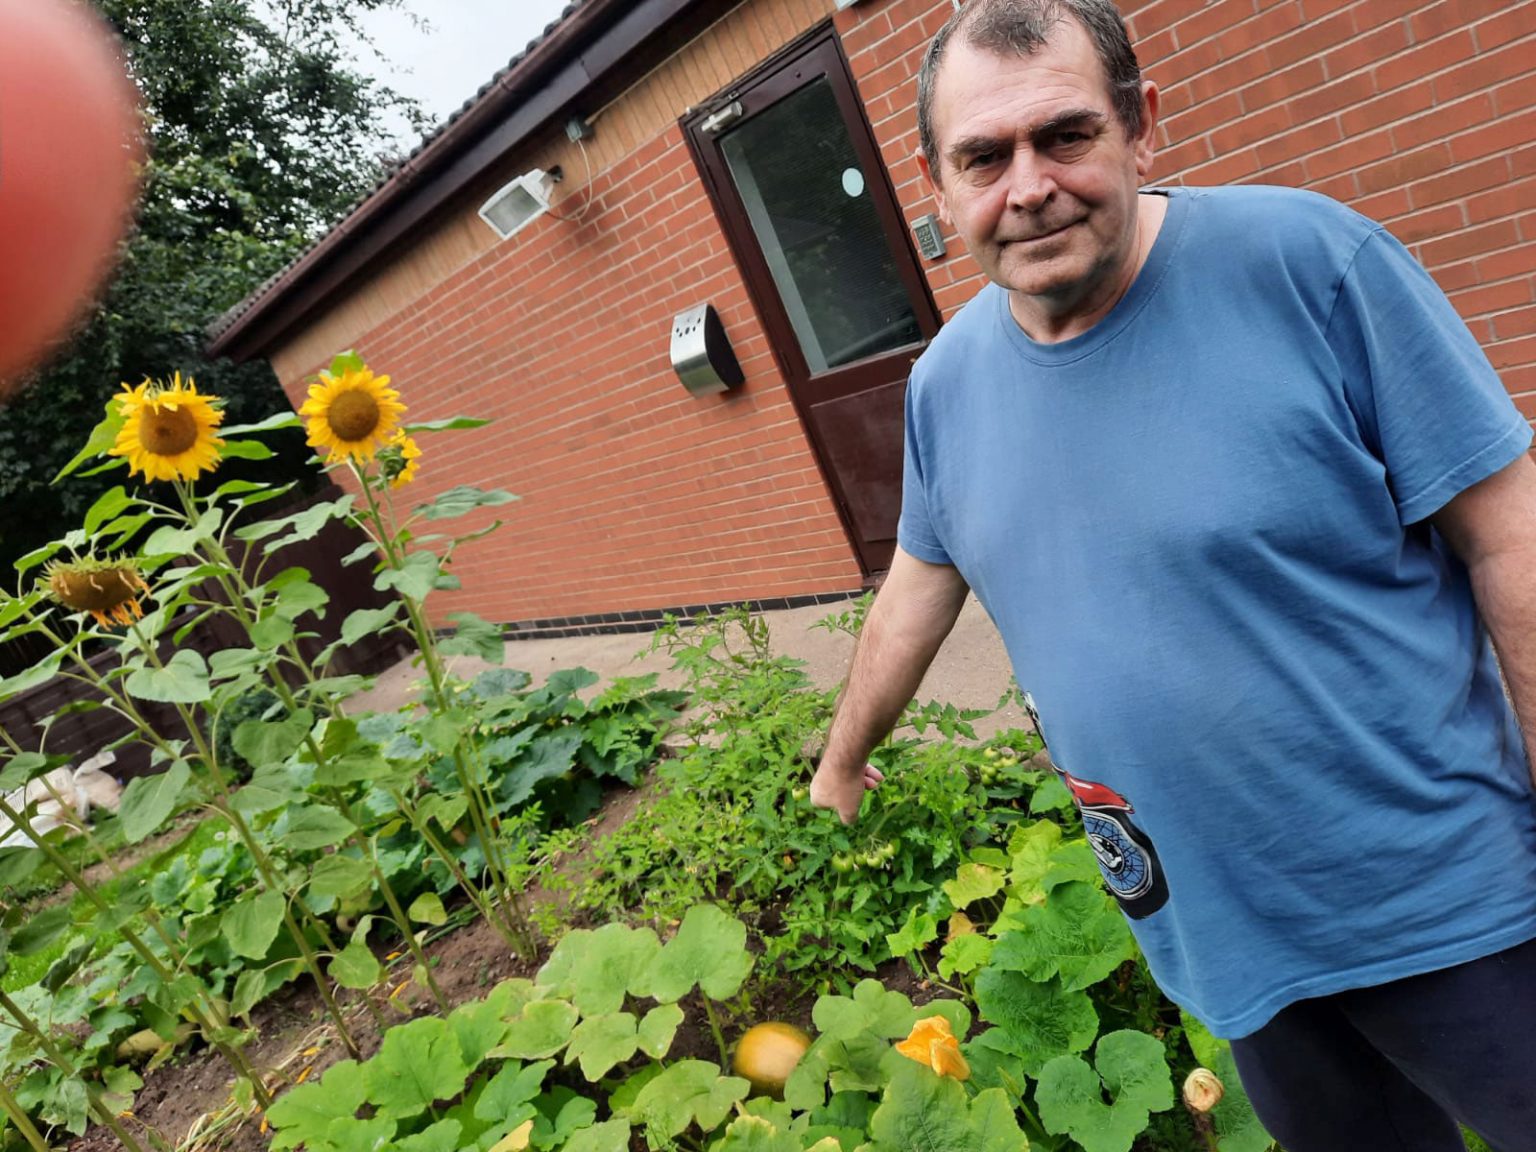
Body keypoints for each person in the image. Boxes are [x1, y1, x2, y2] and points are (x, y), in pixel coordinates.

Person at [808, 1, 1536, 1148]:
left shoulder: (1309, 265)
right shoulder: (945, 386)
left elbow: (1510, 535)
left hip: (1445, 901)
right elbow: (916, 585)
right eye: (984, 158)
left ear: (1140, 122)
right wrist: (842, 759)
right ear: (937, 185)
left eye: (1065, 136)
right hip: (1222, 932)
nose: (1029, 187)